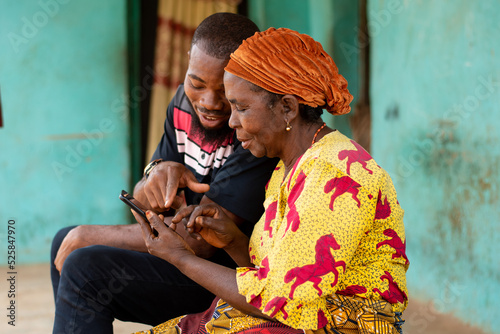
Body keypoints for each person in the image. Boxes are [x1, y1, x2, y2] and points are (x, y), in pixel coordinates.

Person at [131, 27, 409, 334]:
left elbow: (283, 301)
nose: (232, 121)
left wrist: (180, 257)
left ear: (288, 108)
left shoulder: (336, 175)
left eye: (241, 107)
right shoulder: (287, 169)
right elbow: (275, 276)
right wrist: (234, 241)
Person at [50, 13, 278, 333]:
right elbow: (146, 205)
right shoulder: (183, 104)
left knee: (84, 266)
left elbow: (200, 244)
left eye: (224, 91)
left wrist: (90, 234)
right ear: (188, 62)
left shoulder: (252, 129)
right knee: (65, 241)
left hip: (222, 276)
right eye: (197, 83)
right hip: (182, 254)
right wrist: (155, 173)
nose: (209, 102)